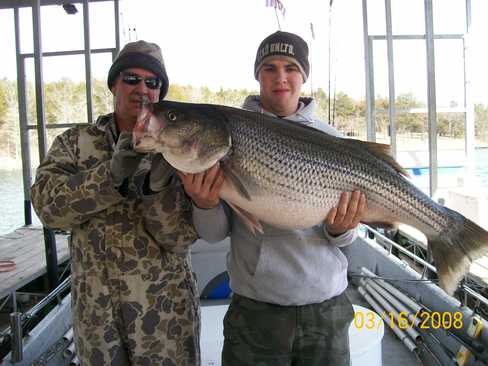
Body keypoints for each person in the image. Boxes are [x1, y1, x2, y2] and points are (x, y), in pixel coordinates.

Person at [179, 31, 367, 366]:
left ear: (303, 76)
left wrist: (341, 229)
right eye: (269, 67)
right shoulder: (225, 134)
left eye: (291, 67)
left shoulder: (332, 140)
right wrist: (204, 204)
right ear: (257, 74)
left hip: (325, 309)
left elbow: (345, 237)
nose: (280, 77)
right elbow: (213, 234)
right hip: (255, 311)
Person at [31, 40, 200, 366]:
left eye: (152, 83)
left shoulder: (180, 149)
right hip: (98, 320)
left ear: (160, 93)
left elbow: (179, 239)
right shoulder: (75, 143)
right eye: (131, 79)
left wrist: (156, 189)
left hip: (166, 318)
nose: (142, 89)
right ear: (114, 84)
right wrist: (109, 177)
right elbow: (48, 211)